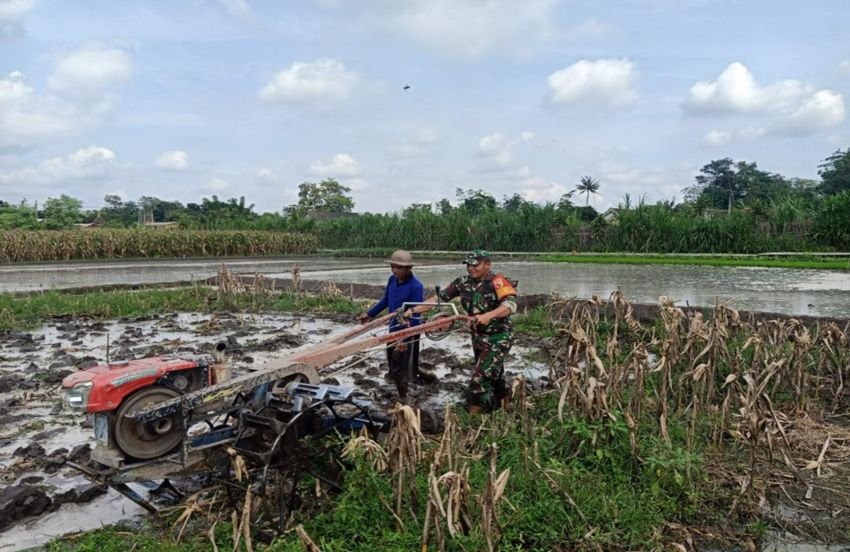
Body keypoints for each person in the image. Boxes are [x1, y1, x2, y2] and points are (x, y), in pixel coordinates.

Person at [404, 249, 516, 414]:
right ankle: (506, 405)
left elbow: (510, 305)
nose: (471, 268)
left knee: (479, 379)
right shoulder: (462, 282)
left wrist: (488, 316)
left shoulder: (497, 281)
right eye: (468, 265)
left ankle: (473, 418)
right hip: (478, 336)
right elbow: (438, 299)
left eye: (475, 265)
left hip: (498, 337)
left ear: (487, 264)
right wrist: (413, 311)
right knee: (495, 374)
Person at [359, 250, 424, 402]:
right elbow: (386, 300)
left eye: (399, 268)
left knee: (401, 368)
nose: (395, 270)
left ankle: (403, 399)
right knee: (394, 364)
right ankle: (413, 383)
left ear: (409, 268)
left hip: (408, 332)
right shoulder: (392, 280)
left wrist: (404, 338)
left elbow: (415, 315)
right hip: (393, 329)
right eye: (393, 267)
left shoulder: (416, 286)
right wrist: (370, 314)